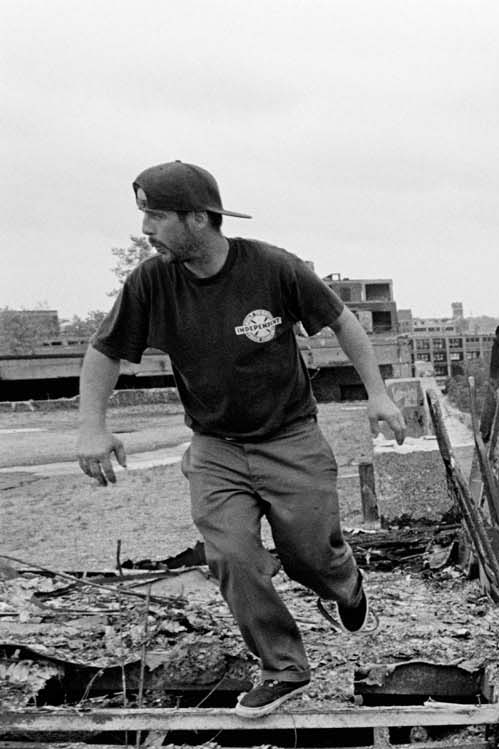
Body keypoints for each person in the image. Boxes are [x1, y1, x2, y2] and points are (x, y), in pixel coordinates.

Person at [75, 161, 407, 718]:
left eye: (156, 216)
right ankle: (283, 668)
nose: (146, 230)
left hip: (291, 438)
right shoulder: (151, 283)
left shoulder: (273, 268)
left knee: (307, 556)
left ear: (199, 218)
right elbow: (105, 351)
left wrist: (378, 394)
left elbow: (344, 321)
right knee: (230, 554)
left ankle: (343, 581)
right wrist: (92, 426)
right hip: (215, 448)